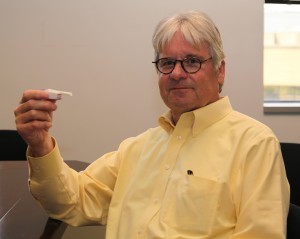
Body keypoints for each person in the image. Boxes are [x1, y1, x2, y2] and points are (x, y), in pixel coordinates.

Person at [14, 10, 289, 239]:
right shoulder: (137, 148)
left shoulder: (254, 143)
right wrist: (40, 145)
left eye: (192, 61)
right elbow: (70, 202)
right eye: (167, 63)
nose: (177, 73)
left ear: (220, 70)